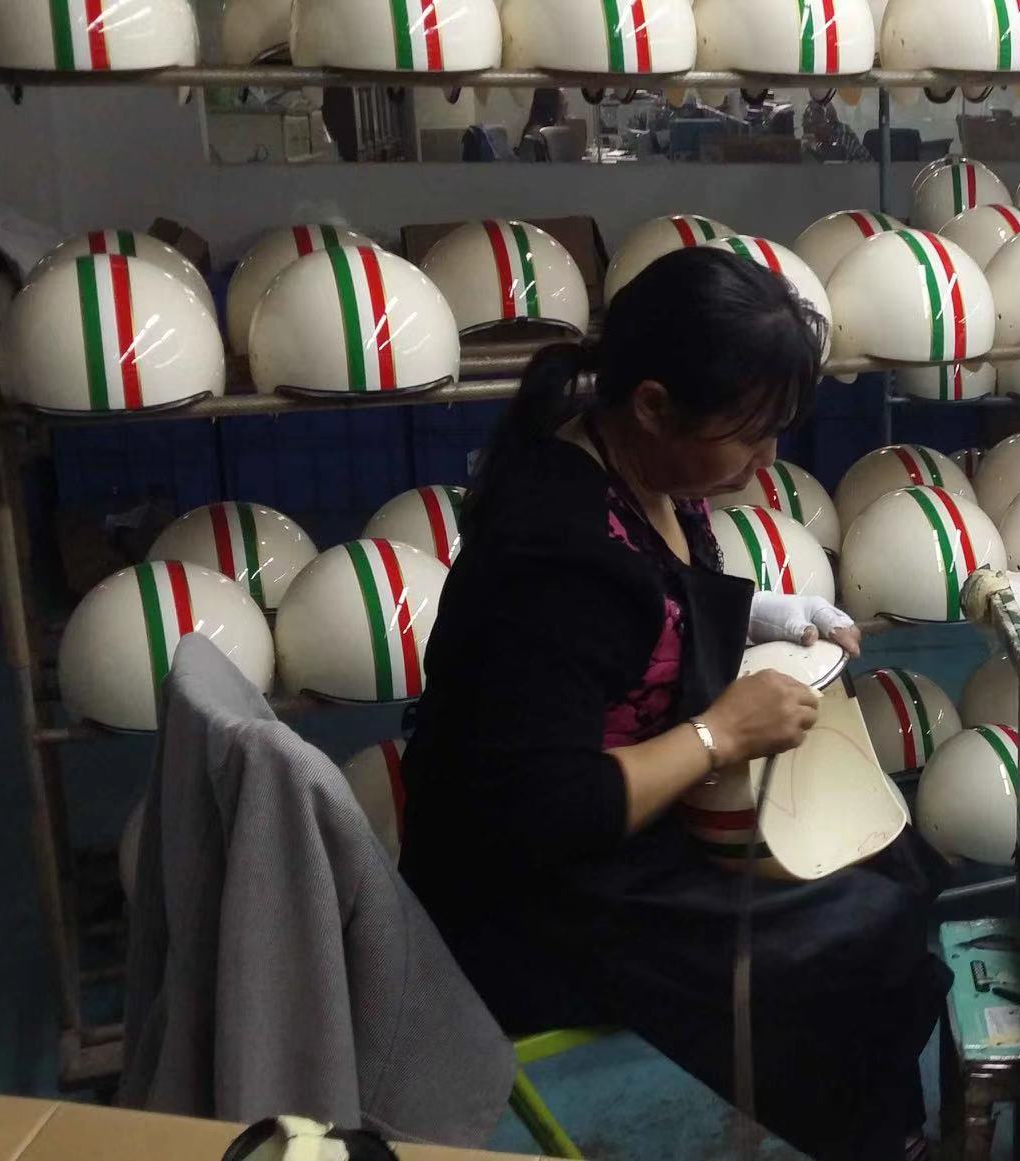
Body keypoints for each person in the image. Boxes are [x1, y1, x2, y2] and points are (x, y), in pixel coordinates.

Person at [400, 247, 951, 1160]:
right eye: (748, 437)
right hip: (531, 901)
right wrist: (719, 732)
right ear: (654, 404)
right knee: (865, 928)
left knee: (897, 858)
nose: (765, 463)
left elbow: (648, 603)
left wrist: (769, 611)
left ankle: (883, 1125)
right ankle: (879, 1139)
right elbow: (546, 810)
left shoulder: (630, 460)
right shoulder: (553, 555)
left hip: (620, 835)